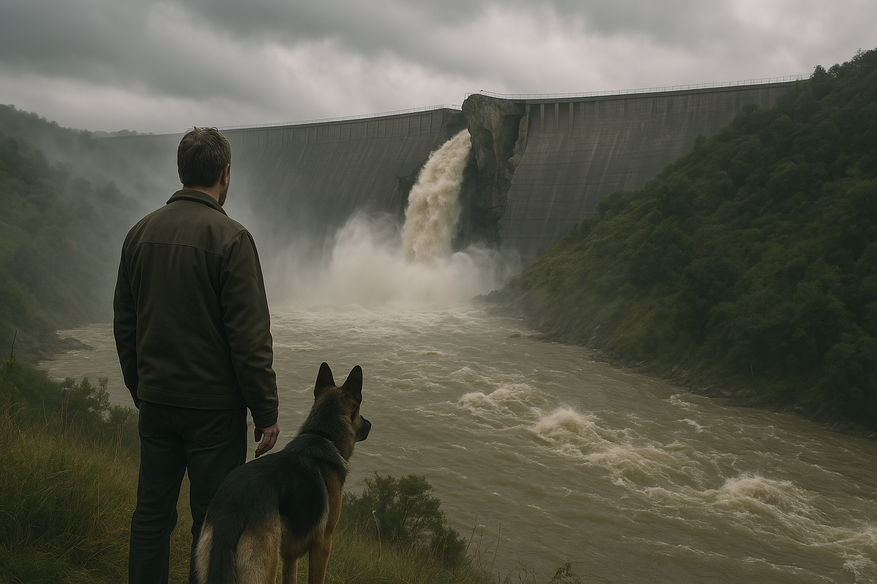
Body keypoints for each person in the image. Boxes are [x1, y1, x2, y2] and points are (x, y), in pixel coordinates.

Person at [113, 127, 280, 584]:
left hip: (157, 403)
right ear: (225, 173)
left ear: (180, 171)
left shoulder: (139, 234)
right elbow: (249, 339)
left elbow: (124, 326)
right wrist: (266, 411)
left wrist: (141, 389)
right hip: (214, 415)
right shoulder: (232, 239)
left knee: (151, 515)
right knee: (212, 524)